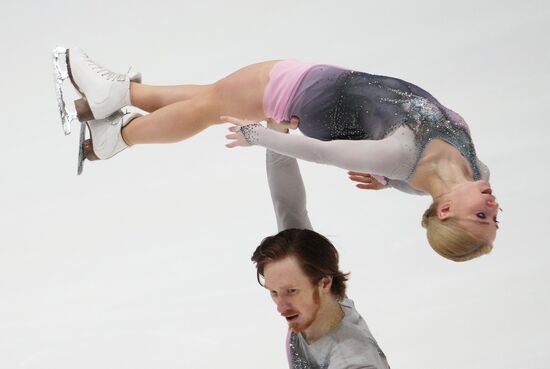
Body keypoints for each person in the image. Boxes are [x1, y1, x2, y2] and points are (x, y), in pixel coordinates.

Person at [54, 48, 499, 261]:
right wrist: (382, 181)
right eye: (493, 219)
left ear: (444, 210)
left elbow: (320, 153)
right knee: (213, 97)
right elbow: (406, 182)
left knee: (213, 105)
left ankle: (117, 130)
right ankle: (108, 108)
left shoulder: (402, 157)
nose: (493, 210)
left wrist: (259, 137)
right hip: (336, 87)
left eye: (481, 218)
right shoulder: (474, 169)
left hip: (313, 93)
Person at [255, 139, 390, 369]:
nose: (281, 306)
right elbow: (288, 205)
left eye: (291, 291)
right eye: (274, 293)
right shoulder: (316, 301)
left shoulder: (351, 360)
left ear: (324, 282)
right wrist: (277, 135)